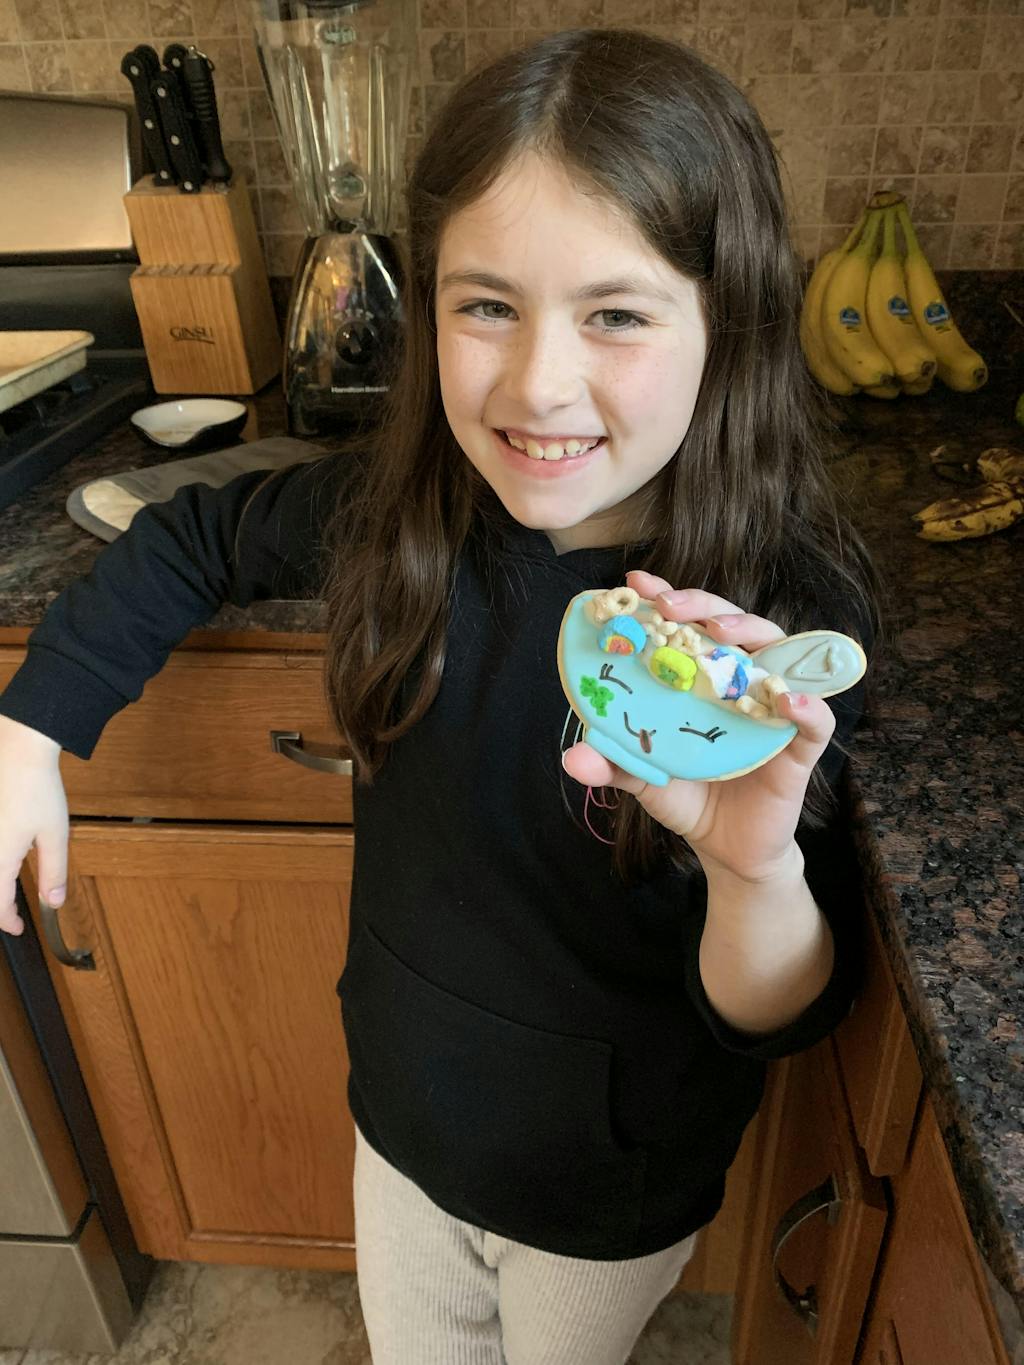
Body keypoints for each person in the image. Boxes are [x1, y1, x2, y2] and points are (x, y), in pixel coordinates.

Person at [0, 27, 883, 1365]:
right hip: (402, 1129)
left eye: (617, 314)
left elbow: (780, 1010)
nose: (538, 383)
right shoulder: (403, 515)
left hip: (605, 1189)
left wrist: (751, 865)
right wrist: (31, 724)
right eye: (487, 306)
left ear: (732, 320)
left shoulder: (773, 633)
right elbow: (192, 535)